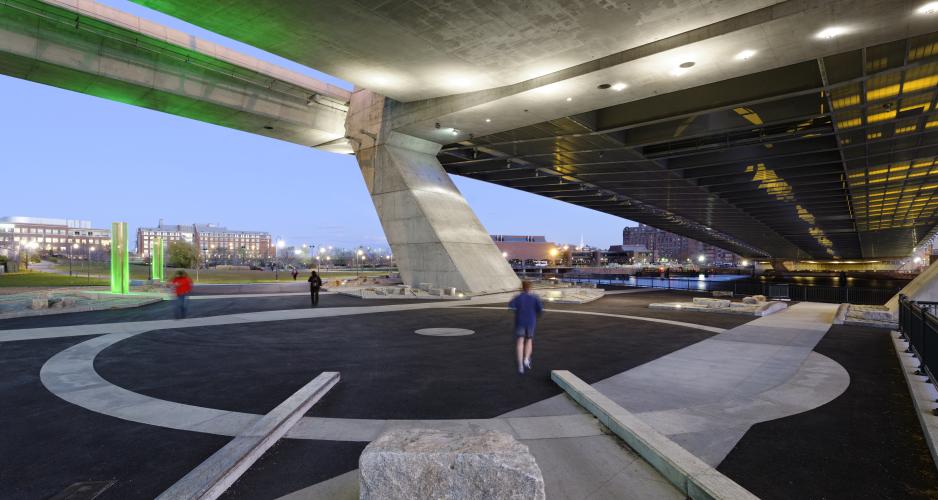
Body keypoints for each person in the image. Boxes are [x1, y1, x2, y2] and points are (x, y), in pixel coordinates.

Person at [508, 281, 543, 374]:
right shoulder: (535, 297)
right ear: (530, 287)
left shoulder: (518, 297)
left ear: (522, 287)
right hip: (531, 322)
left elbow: (511, 306)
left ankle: (520, 366)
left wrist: (517, 310)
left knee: (520, 342)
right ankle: (526, 359)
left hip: (520, 322)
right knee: (529, 340)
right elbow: (540, 309)